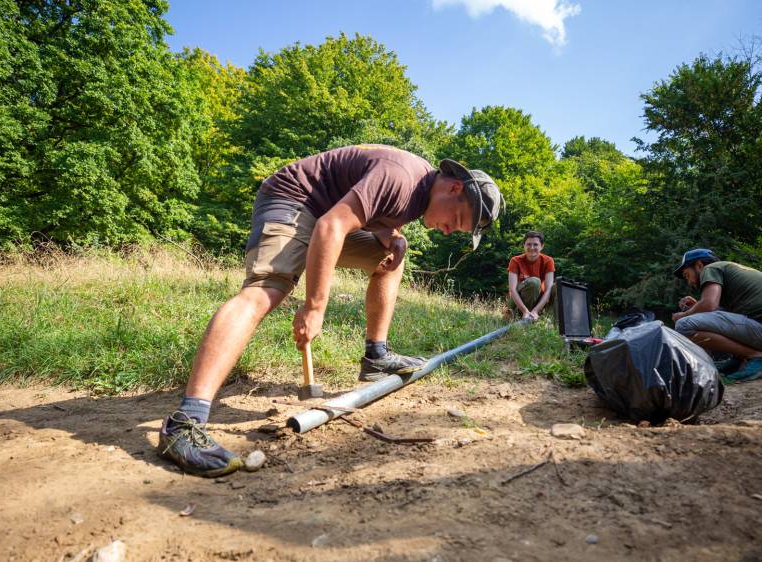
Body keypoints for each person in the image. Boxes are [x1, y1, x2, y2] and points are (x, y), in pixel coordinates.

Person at [159, 144, 505, 477]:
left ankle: (376, 355)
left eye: (458, 230)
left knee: (391, 257)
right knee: (266, 290)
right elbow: (331, 226)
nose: (449, 230)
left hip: (322, 214)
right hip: (293, 201)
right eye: (457, 219)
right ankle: (185, 422)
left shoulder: (417, 197)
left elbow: (366, 215)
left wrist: (389, 235)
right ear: (454, 187)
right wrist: (314, 307)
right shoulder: (402, 177)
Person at [671, 248, 762, 382]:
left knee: (684, 325)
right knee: (698, 320)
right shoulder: (729, 272)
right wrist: (697, 306)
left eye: (687, 275)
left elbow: (709, 304)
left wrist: (683, 314)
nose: (689, 282)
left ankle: (758, 357)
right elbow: (722, 315)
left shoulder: (711, 269)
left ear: (699, 265)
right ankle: (740, 360)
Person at [507, 231, 555, 321]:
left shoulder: (548, 261)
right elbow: (512, 289)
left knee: (557, 287)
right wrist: (525, 311)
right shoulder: (515, 261)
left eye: (535, 245)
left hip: (538, 303)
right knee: (534, 282)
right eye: (528, 244)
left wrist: (535, 311)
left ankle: (549, 320)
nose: (532, 248)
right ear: (524, 246)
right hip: (518, 303)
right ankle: (521, 315)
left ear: (542, 246)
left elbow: (549, 289)